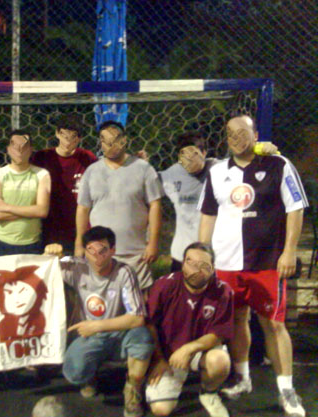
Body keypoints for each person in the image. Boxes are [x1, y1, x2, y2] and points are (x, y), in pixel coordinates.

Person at [199, 114, 308, 417]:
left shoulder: (278, 165)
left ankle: (286, 389)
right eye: (231, 134)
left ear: (256, 135)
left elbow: (295, 208)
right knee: (236, 320)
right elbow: (208, 214)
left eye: (243, 132)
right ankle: (242, 377)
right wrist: (203, 255)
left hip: (266, 263)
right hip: (225, 264)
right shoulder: (217, 172)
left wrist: (289, 251)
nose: (237, 138)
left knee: (273, 325)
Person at [45, 226, 154, 417]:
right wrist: (48, 254)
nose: (96, 257)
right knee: (74, 372)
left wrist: (96, 326)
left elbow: (137, 317)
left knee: (143, 338)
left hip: (120, 334)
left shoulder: (124, 272)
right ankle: (91, 374)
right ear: (84, 251)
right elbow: (42, 269)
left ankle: (133, 389)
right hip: (90, 337)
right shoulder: (76, 267)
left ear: (113, 250)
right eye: (91, 251)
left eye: (102, 251)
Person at [159, 132, 280, 271]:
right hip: (182, 255)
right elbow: (147, 190)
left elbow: (247, 163)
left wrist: (261, 150)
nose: (190, 159)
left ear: (204, 153)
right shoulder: (171, 175)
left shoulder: (220, 169)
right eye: (184, 155)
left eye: (194, 154)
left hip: (219, 255)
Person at [145, 242, 234, 417]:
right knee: (161, 409)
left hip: (197, 351)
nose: (196, 270)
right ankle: (149, 382)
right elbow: (149, 325)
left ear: (213, 268)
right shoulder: (164, 285)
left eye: (203, 265)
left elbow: (218, 334)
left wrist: (189, 349)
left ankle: (208, 393)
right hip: (167, 354)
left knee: (220, 361)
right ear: (182, 263)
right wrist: (158, 359)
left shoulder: (223, 291)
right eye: (190, 262)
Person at [75, 121, 163, 292]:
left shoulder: (144, 169)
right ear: (100, 143)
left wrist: (153, 243)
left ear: (124, 140)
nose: (110, 145)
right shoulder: (92, 171)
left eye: (115, 139)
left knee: (138, 302)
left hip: (136, 255)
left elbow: (155, 205)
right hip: (99, 255)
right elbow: (83, 209)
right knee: (101, 302)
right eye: (105, 140)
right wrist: (79, 243)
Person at [29, 114, 97, 253]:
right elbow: (22, 173)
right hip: (50, 227)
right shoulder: (42, 157)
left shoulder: (88, 158)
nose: (68, 141)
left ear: (79, 138)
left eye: (73, 137)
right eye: (64, 135)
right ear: (57, 134)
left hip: (80, 227)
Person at [0, 130, 51, 256]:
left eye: (24, 146)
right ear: (8, 149)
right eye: (15, 146)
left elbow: (42, 211)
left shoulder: (42, 174)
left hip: (31, 243)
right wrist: (31, 212)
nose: (19, 150)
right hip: (0, 243)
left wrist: (5, 207)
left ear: (31, 149)